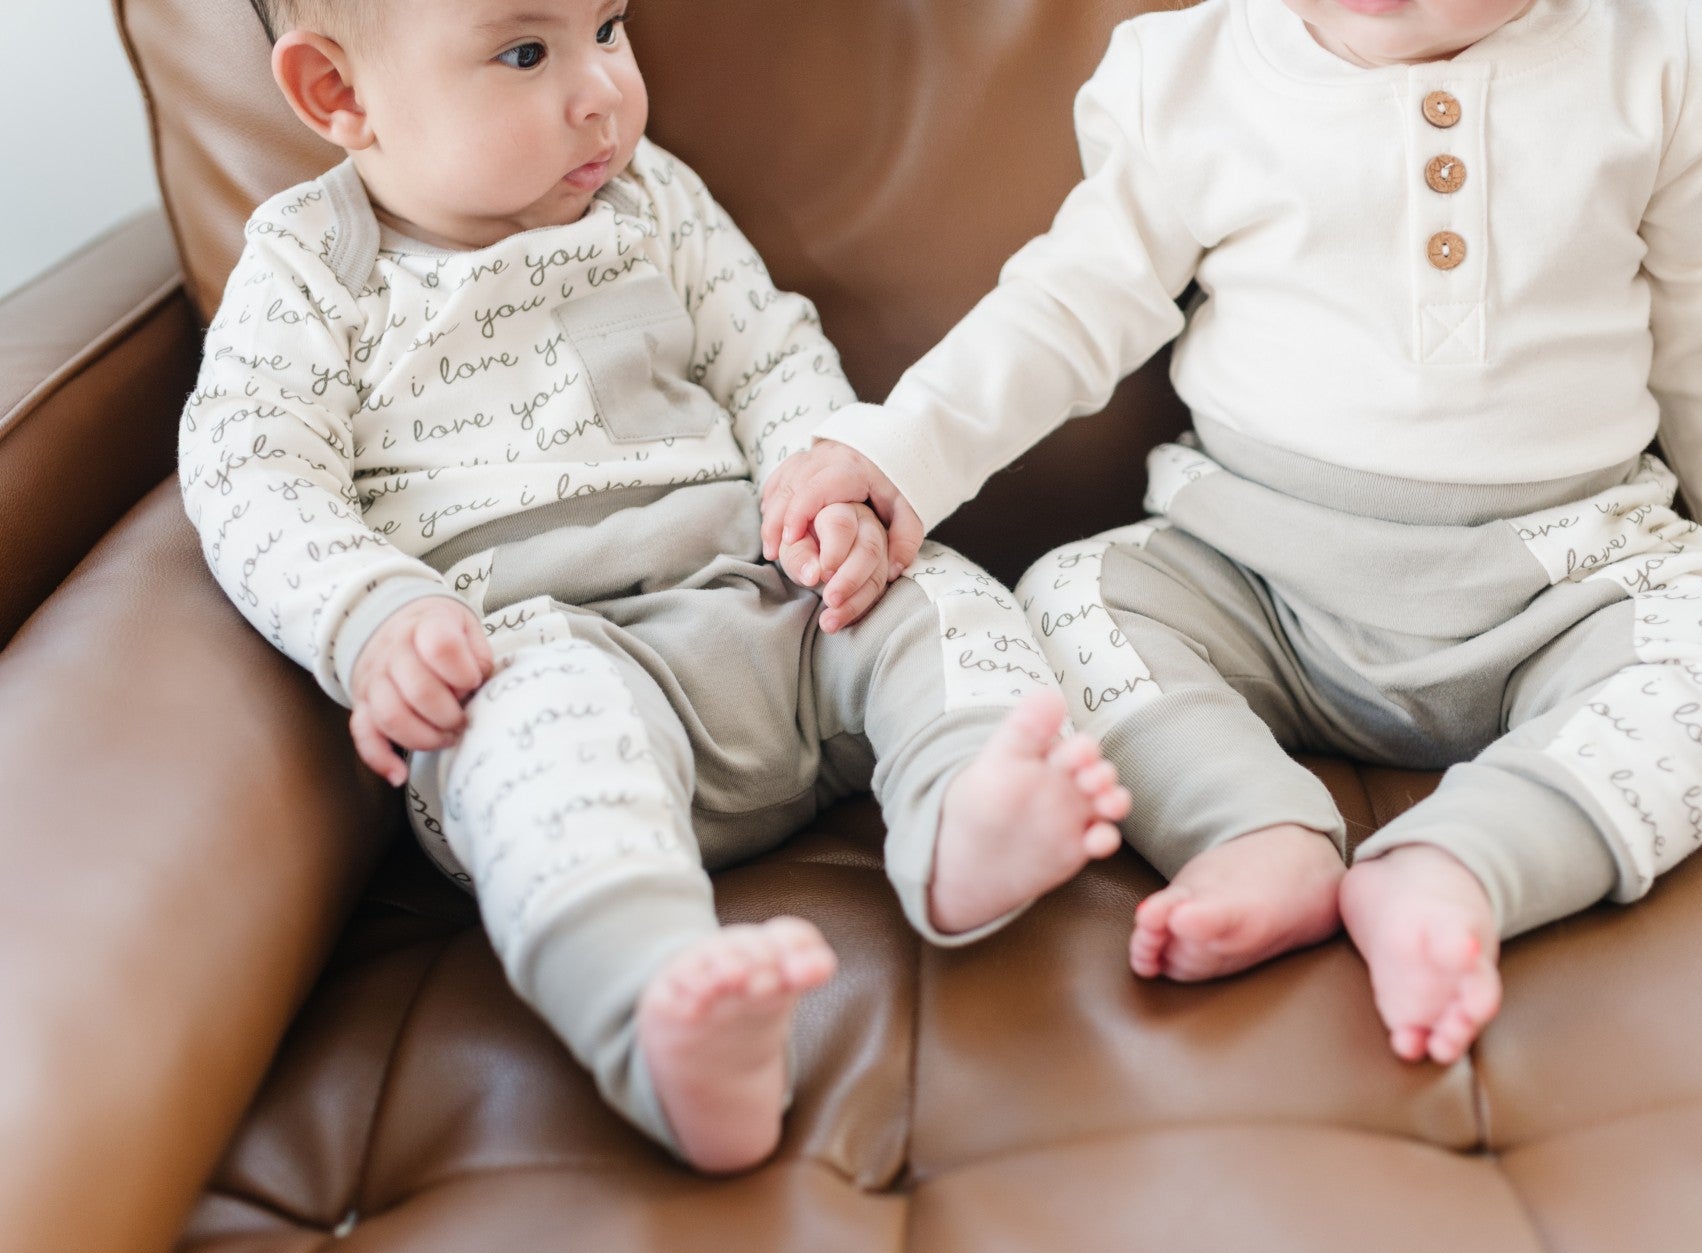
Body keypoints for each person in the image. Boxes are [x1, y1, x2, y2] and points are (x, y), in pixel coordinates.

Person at [758, 0, 1702, 1066]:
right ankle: (1249, 829)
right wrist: (901, 450)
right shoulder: (1190, 77)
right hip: (1254, 572)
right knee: (1064, 595)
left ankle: (1465, 862)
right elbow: (1063, 308)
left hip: (1568, 574)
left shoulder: (1660, 63)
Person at [179, 0, 1130, 1173]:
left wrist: (824, 491)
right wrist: (374, 615)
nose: (603, 93)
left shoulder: (653, 197)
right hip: (543, 651)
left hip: (774, 603)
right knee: (527, 736)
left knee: (936, 591)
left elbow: (769, 357)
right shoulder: (311, 267)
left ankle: (965, 810)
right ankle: (659, 1008)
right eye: (525, 53)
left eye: (610, 27)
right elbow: (250, 473)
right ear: (338, 93)